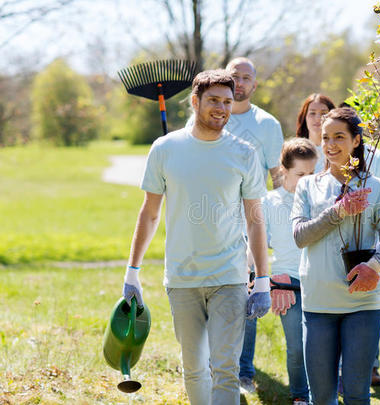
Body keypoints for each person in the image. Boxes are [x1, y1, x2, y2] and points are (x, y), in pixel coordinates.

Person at [122, 69, 271, 405]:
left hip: (229, 277)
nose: (221, 108)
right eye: (213, 100)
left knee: (226, 369)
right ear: (195, 101)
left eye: (228, 102)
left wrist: (262, 279)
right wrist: (132, 272)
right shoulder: (165, 148)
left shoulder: (245, 153)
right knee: (193, 368)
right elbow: (149, 213)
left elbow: (256, 219)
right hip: (182, 277)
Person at [187, 57, 285, 393]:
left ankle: (242, 372)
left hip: (248, 221)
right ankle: (203, 368)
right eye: (234, 76)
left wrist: (276, 224)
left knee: (247, 294)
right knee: (201, 296)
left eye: (246, 78)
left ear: (255, 84)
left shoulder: (268, 125)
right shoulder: (212, 112)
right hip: (205, 219)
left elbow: (277, 177)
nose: (240, 82)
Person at [291, 108, 380, 404]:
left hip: (364, 302)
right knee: (322, 397)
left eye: (339, 137)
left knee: (356, 395)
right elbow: (300, 236)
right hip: (318, 303)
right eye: (326, 137)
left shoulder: (377, 187)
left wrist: (374, 266)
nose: (331, 144)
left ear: (356, 141)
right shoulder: (307, 186)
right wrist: (338, 212)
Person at [263, 138, 318, 405]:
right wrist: (269, 280)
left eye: (311, 174)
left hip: (319, 280)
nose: (307, 180)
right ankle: (300, 396)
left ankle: (324, 393)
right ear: (283, 170)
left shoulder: (320, 200)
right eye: (300, 174)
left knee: (320, 347)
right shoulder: (269, 202)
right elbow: (257, 245)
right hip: (287, 281)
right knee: (297, 346)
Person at [295, 93, 335, 173]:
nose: (318, 118)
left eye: (324, 113)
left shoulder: (338, 151)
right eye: (312, 113)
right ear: (304, 117)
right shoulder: (294, 152)